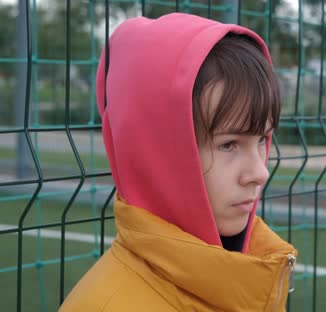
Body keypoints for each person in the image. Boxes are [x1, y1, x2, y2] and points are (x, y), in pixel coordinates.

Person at [60, 12, 297, 312]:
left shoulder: (250, 272)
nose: (259, 173)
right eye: (228, 145)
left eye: (262, 139)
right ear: (157, 155)